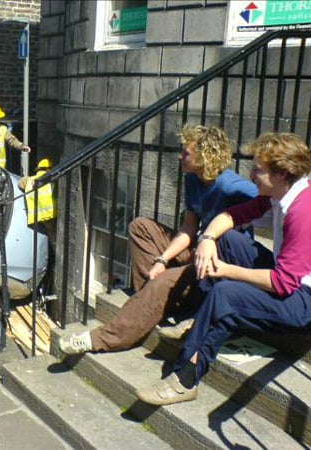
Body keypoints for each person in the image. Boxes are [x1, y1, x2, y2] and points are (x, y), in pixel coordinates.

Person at [136, 132, 311, 406]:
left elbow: (283, 283)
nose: (251, 175)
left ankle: (185, 378)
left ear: (283, 174)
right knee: (225, 238)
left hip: (303, 300)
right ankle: (201, 317)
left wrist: (226, 270)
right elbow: (232, 216)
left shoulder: (303, 211)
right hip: (286, 276)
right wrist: (206, 239)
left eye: (258, 170)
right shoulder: (278, 193)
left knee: (227, 294)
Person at [57, 125, 258, 355]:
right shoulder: (193, 179)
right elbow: (188, 229)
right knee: (140, 227)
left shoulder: (231, 186)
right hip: (198, 249)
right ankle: (152, 303)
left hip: (218, 265)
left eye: (186, 152)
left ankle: (101, 338)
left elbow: (268, 200)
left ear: (205, 155)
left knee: (165, 282)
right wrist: (162, 259)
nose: (180, 156)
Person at [18, 158, 57, 243]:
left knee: (49, 236)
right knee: (55, 237)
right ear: (49, 169)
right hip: (52, 214)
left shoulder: (30, 180)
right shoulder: (53, 178)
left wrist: (24, 179)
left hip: (38, 216)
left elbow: (21, 184)